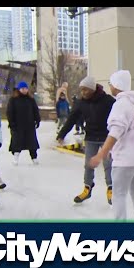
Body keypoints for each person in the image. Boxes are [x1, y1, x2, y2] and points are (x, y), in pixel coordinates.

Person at [90, 70, 134, 221]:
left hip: (127, 157)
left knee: (119, 193)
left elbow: (115, 131)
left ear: (116, 85)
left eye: (110, 83)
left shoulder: (121, 104)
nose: (109, 86)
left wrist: (101, 154)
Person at [57, 76, 115, 204]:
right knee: (89, 165)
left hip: (106, 137)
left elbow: (119, 115)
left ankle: (111, 189)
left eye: (86, 90)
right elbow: (71, 119)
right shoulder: (81, 103)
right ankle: (87, 189)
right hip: (91, 138)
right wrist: (62, 134)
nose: (83, 93)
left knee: (108, 164)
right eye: (81, 90)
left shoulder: (107, 101)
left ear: (92, 89)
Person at [6, 81, 41, 165]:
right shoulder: (13, 100)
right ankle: (16, 158)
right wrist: (11, 123)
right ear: (19, 89)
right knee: (17, 142)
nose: (24, 90)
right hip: (18, 126)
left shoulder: (31, 99)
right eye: (22, 89)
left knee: (31, 142)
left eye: (26, 88)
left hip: (29, 125)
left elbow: (35, 110)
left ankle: (34, 157)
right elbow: (10, 112)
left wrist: (37, 120)